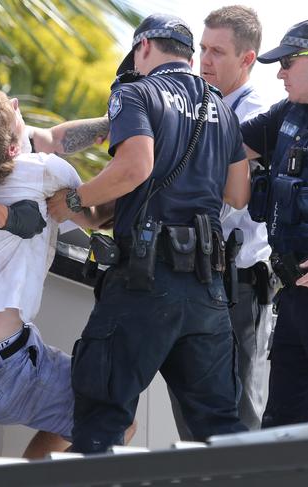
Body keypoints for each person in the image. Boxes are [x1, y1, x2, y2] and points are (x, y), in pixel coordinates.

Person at [48, 13, 250, 453]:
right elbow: (237, 193)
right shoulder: (221, 106)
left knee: (103, 417)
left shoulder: (135, 92)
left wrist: (76, 200)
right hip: (208, 289)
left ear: (143, 48)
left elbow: (134, 167)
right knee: (219, 428)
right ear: (189, 55)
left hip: (144, 280)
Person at [0, 86, 114, 459]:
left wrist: (109, 124)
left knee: (72, 414)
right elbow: (99, 218)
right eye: (12, 109)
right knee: (113, 414)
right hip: (3, 368)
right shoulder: (45, 173)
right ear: (12, 149)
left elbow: (47, 139)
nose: (17, 105)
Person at [169, 5, 272, 437]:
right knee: (194, 413)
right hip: (194, 276)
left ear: (247, 60)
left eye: (217, 52)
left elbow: (214, 184)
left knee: (238, 418)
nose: (204, 61)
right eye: (202, 49)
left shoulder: (255, 113)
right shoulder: (197, 104)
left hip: (238, 287)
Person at [239, 20, 308, 428]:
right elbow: (228, 142)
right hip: (293, 298)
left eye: (287, 62)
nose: (279, 72)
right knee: (279, 430)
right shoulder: (288, 113)